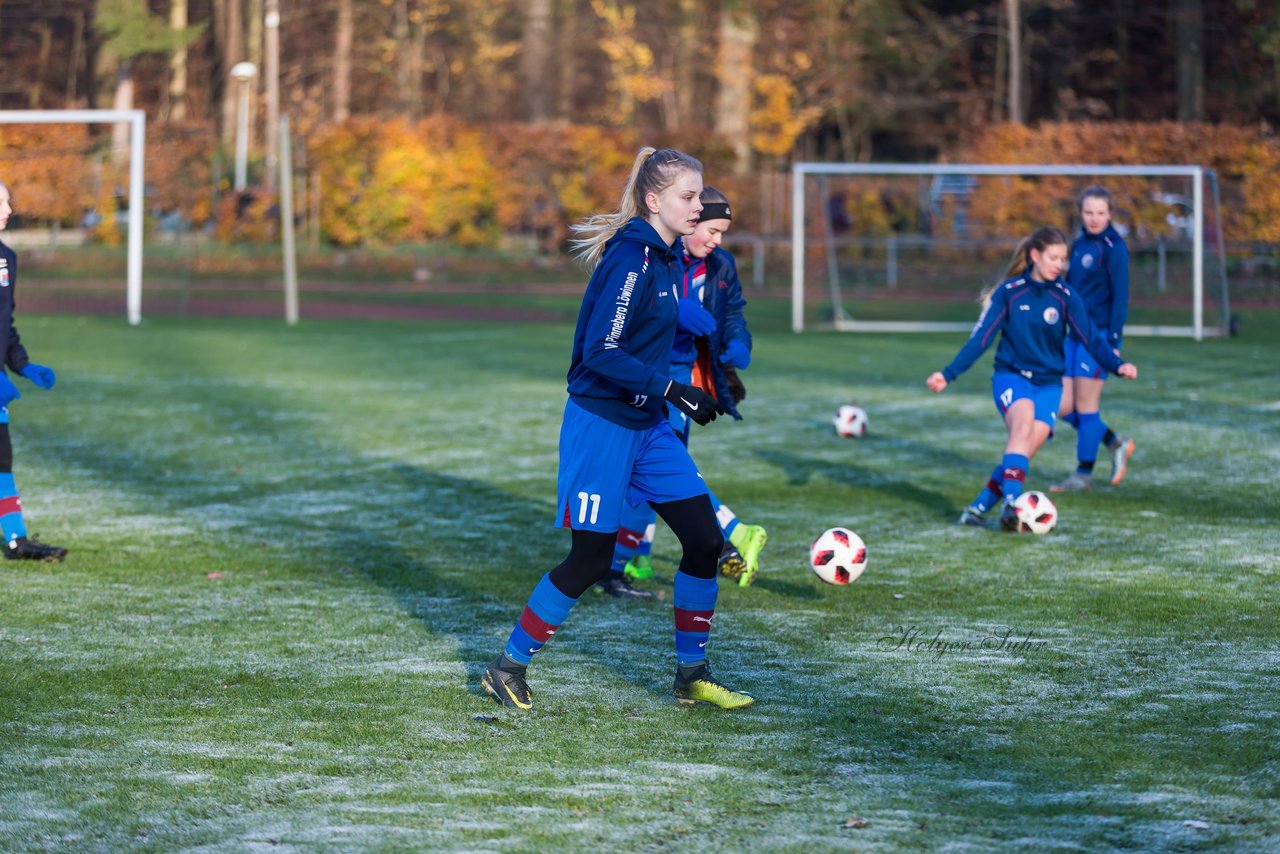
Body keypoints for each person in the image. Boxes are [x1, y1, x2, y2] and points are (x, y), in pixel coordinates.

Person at [481, 148, 753, 711]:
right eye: (688, 197)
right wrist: (674, 390)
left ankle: (691, 675)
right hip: (602, 424)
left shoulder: (667, 258)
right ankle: (507, 665)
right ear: (654, 201)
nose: (698, 207)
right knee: (591, 560)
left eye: (700, 196)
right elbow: (599, 352)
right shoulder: (631, 260)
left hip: (647, 424)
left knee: (705, 540)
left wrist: (703, 382)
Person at [600, 186, 766, 599]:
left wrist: (738, 343)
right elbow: (631, 314)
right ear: (689, 221)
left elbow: (733, 314)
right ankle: (730, 532)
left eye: (723, 232)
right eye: (711, 229)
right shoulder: (660, 256)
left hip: (684, 378)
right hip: (648, 374)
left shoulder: (721, 265)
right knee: (655, 470)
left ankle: (627, 561)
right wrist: (675, 312)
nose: (717, 240)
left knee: (655, 469)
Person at [925, 225, 1138, 531]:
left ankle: (976, 509)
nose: (1059, 265)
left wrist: (1117, 365)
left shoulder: (1065, 296)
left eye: (1063, 259)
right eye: (1053, 257)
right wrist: (948, 374)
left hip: (1050, 385)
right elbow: (981, 339)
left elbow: (1091, 338)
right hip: (1012, 378)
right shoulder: (1009, 293)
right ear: (1035, 255)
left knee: (1021, 451)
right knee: (1021, 427)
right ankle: (1012, 505)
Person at [1051, 185, 1136, 492]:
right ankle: (1114, 442)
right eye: (1089, 212)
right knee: (1060, 406)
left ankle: (1082, 475)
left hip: (1097, 339)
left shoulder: (1114, 248)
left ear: (1110, 213)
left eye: (1101, 212)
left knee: (1087, 408)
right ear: (1081, 213)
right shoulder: (1078, 244)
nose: (1095, 218)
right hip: (1073, 336)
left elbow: (1120, 299)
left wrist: (1112, 343)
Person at [0, 181, 67, 562]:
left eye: (9, 200)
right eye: (1, 202)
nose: (8, 209)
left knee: (1, 459)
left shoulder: (6, 258)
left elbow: (3, 325)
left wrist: (22, 364)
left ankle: (15, 540)